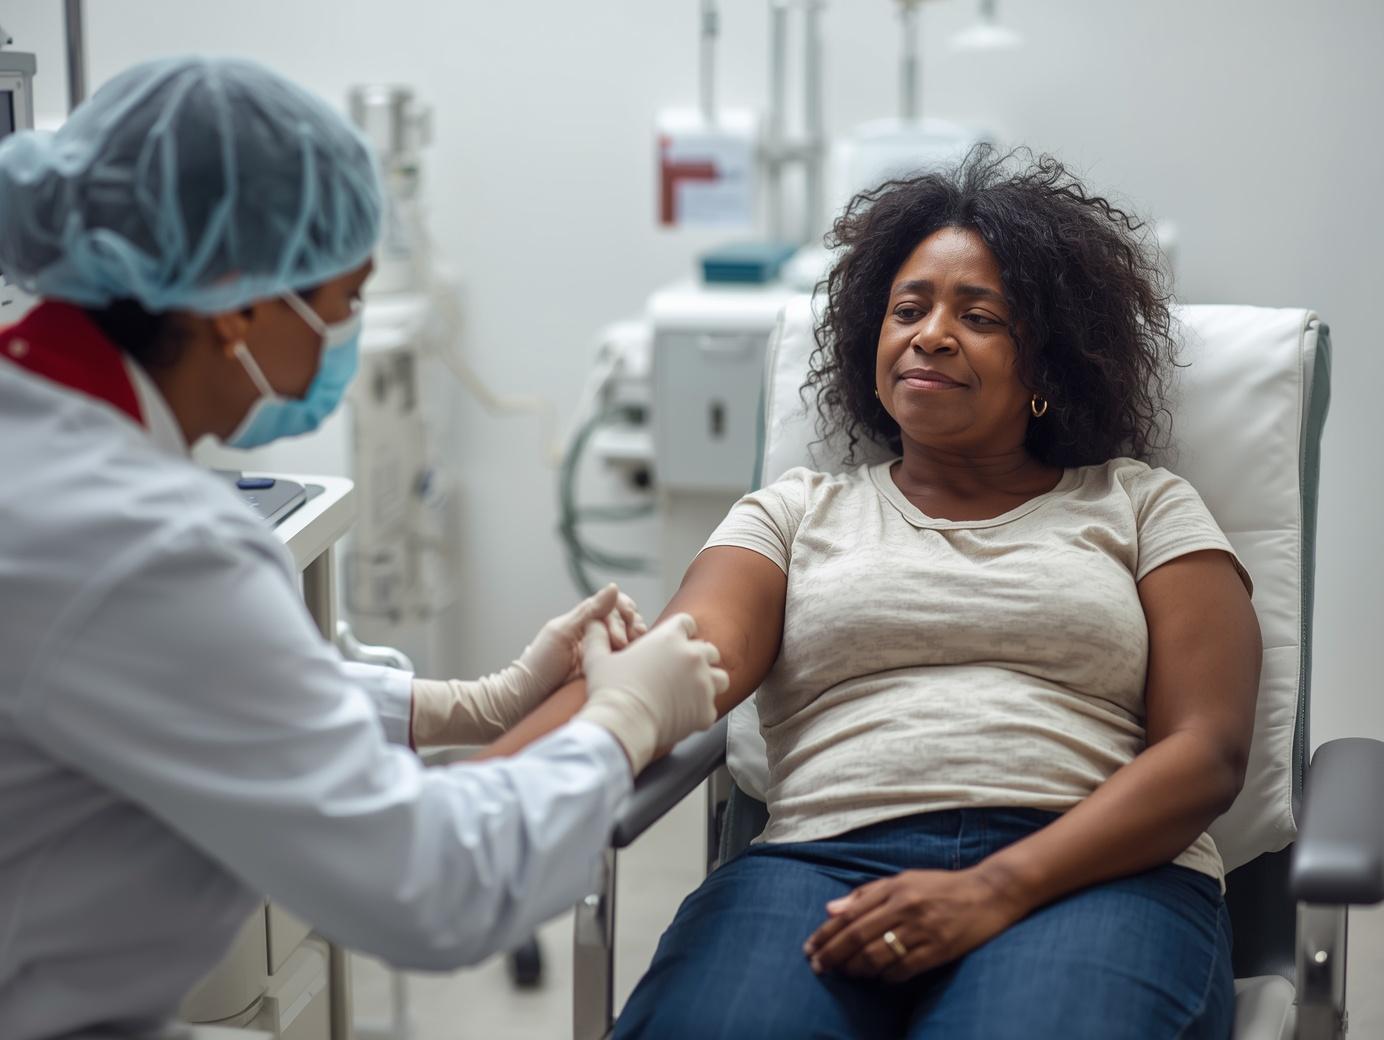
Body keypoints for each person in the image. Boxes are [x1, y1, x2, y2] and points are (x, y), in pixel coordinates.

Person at [0, 56, 727, 1040]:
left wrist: (477, 703)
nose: (345, 335)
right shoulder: (145, 545)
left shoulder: (46, 440)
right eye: (344, 301)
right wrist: (623, 720)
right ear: (237, 305)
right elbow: (432, 883)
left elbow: (203, 687)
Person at [486, 148, 1262, 1039]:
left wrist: (993, 888)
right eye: (909, 309)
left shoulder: (1139, 504)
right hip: (817, 868)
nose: (932, 333)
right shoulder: (794, 514)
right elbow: (663, 677)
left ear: (1048, 370)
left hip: (1093, 872)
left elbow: (1207, 750)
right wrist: (467, 788)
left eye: (981, 317)